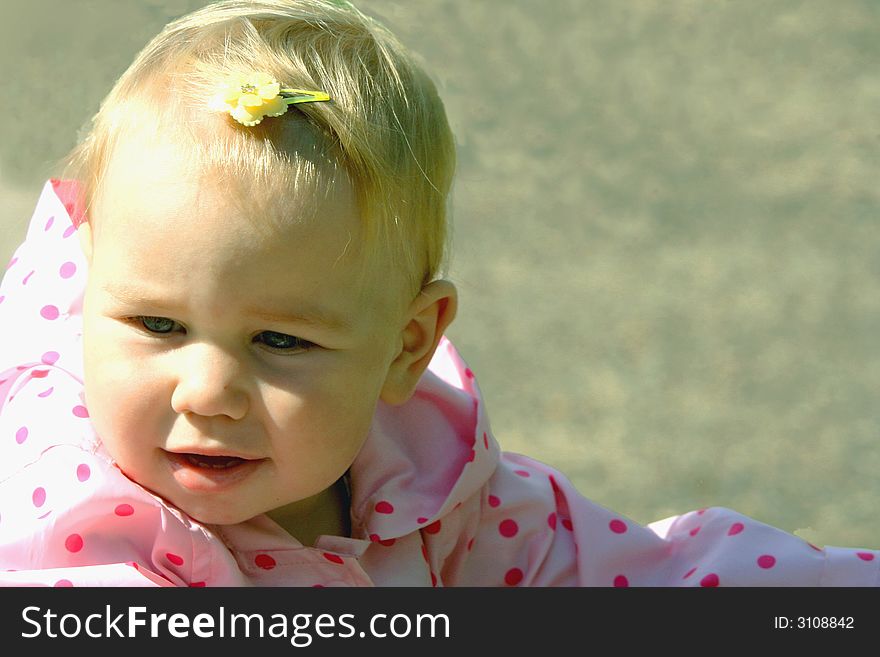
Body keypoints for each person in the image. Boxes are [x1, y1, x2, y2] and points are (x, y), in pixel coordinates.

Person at [0, 0, 876, 587]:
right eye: (157, 323)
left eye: (282, 342)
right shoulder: (70, 521)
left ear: (407, 344)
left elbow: (632, 573)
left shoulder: (426, 472)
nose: (207, 392)